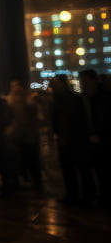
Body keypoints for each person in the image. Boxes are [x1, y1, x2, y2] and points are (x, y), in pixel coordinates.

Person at [50, 74, 94, 205]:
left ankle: (85, 196)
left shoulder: (72, 100)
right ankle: (74, 195)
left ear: (62, 84)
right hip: (68, 139)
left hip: (76, 140)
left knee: (80, 169)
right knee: (69, 169)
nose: (53, 86)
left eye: (55, 83)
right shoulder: (62, 100)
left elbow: (74, 121)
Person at [78, 70, 110, 210]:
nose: (82, 83)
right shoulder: (86, 97)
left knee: (103, 171)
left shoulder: (103, 96)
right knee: (93, 170)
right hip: (90, 140)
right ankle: (95, 197)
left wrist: (98, 133)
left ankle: (105, 198)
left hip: (103, 140)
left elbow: (104, 118)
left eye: (84, 80)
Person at [7, 78, 41, 191]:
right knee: (18, 161)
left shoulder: (29, 102)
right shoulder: (11, 101)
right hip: (17, 137)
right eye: (12, 86)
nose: (15, 88)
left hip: (27, 137)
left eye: (16, 86)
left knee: (31, 161)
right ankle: (22, 182)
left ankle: (34, 183)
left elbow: (33, 120)